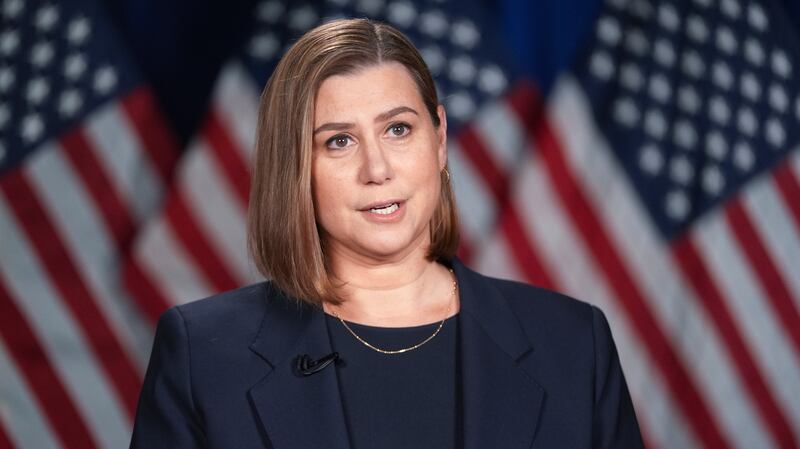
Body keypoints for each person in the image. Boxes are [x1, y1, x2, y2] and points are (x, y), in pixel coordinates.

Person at [129, 18, 645, 449]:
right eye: (338, 141)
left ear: (438, 139)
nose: (377, 169)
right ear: (294, 168)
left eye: (398, 129)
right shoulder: (204, 356)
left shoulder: (573, 344)